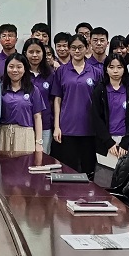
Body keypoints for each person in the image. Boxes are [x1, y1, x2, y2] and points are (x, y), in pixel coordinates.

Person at [51, 34, 103, 177]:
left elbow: (101, 102)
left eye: (80, 47)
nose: (77, 51)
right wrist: (57, 126)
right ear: (69, 49)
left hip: (90, 129)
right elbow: (57, 99)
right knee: (68, 172)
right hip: (67, 129)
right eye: (73, 48)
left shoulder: (96, 72)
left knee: (88, 172)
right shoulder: (61, 71)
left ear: (87, 48)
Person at [91, 53, 129, 158]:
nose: (115, 71)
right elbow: (96, 118)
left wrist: (126, 142)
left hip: (127, 141)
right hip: (105, 142)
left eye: (119, 67)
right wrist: (109, 142)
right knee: (105, 169)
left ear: (124, 69)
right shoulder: (100, 90)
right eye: (111, 67)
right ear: (106, 69)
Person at [0, 53, 45, 154]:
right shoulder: (0, 88)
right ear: (6, 68)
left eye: (19, 67)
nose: (15, 70)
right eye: (11, 67)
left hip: (26, 135)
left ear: (25, 69)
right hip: (4, 134)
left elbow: (37, 117)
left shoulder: (33, 90)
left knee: (25, 163)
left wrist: (39, 142)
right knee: (4, 163)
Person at [23, 38, 53, 154]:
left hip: (45, 124)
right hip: (24, 125)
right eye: (31, 52)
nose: (35, 55)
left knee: (42, 158)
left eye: (38, 52)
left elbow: (54, 100)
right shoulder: (20, 73)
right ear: (25, 53)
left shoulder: (51, 74)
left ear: (43, 53)